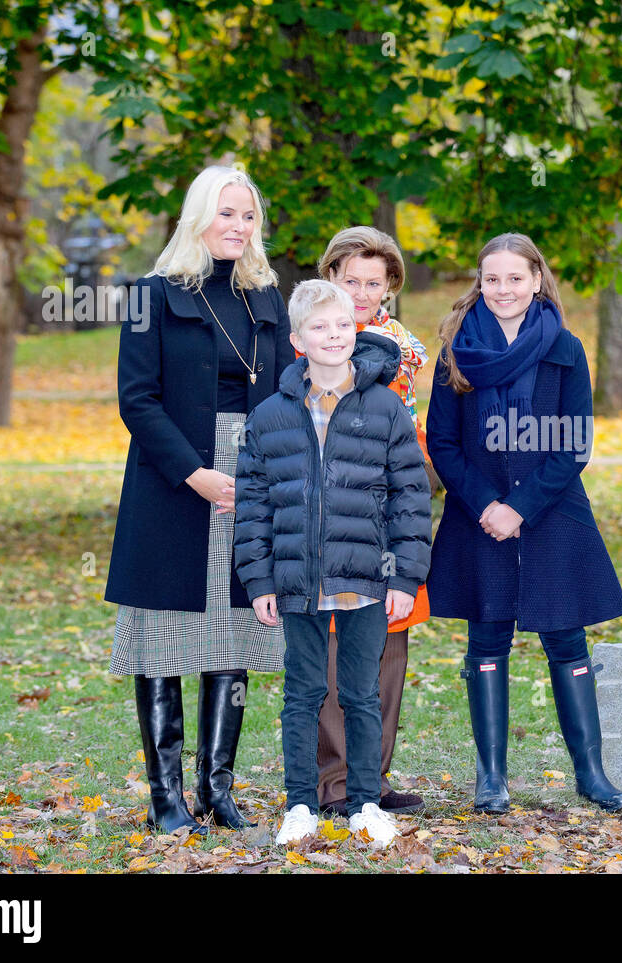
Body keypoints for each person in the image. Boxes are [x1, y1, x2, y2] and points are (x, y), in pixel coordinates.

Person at [105, 165, 294, 834]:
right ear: (197, 217)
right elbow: (137, 399)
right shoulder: (148, 294)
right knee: (163, 639)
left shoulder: (266, 297)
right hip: (173, 481)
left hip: (251, 476)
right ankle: (166, 798)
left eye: (248, 216)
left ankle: (218, 789)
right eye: (226, 213)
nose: (238, 226)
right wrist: (195, 472)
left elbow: (284, 390)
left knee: (233, 629)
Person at [425, 232, 622, 815]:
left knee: (566, 638)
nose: (503, 290)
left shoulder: (565, 348)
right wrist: (489, 505)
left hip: (551, 512)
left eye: (515, 278)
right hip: (478, 514)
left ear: (537, 279)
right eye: (491, 279)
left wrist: (521, 507)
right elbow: (442, 442)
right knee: (487, 636)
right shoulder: (457, 350)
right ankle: (491, 779)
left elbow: (573, 445)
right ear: (479, 281)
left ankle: (592, 775)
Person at [234, 279, 431, 848]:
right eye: (319, 327)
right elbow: (253, 504)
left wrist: (404, 575)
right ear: (298, 339)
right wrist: (260, 578)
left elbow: (410, 499)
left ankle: (366, 800)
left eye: (342, 326)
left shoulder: (386, 407)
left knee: (361, 693)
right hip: (298, 581)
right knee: (302, 693)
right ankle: (299, 803)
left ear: (357, 331)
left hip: (369, 578)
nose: (333, 336)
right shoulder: (270, 415)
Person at [311, 226, 431, 817]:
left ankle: (372, 781)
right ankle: (332, 784)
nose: (361, 293)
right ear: (329, 278)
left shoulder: (402, 348)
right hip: (335, 516)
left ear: (391, 287)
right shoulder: (313, 343)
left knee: (388, 644)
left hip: (391, 510)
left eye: (373, 283)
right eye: (350, 280)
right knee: (336, 649)